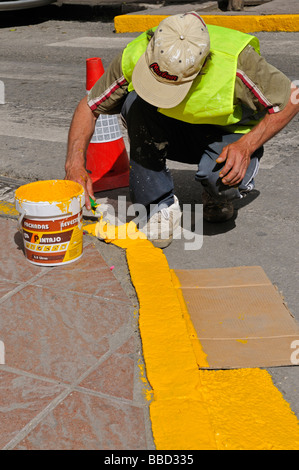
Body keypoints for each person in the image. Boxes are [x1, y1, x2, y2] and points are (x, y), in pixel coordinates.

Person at [65, 12, 298, 248]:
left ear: (204, 65)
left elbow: (291, 99)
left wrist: (247, 146)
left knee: (220, 180)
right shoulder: (137, 53)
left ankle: (216, 193)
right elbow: (89, 106)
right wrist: (74, 164)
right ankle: (157, 206)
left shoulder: (237, 62)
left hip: (227, 136)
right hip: (178, 131)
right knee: (134, 103)